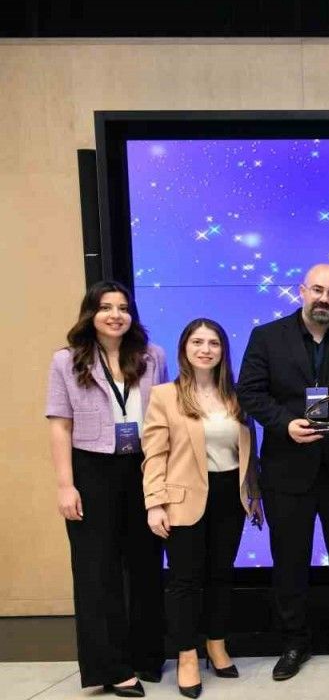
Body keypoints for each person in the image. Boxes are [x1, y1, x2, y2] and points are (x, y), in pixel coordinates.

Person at [237, 263, 329, 680]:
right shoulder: (267, 337)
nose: (325, 299)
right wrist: (284, 423)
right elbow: (249, 391)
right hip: (288, 470)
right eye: (318, 290)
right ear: (301, 291)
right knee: (289, 562)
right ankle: (293, 643)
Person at [45, 280, 167, 697]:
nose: (116, 315)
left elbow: (163, 418)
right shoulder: (67, 360)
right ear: (91, 313)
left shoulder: (152, 356)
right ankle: (111, 668)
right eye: (106, 307)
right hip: (91, 469)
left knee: (146, 564)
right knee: (97, 572)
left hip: (143, 466)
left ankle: (147, 655)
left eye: (123, 308)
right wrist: (66, 485)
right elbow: (60, 426)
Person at [141, 318, 264, 698]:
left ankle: (216, 643)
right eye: (197, 342)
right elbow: (154, 454)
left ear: (223, 351)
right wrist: (154, 503)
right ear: (184, 349)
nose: (205, 349)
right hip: (183, 498)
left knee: (220, 575)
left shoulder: (237, 396)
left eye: (213, 343)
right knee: (184, 580)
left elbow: (248, 453)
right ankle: (187, 655)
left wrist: (254, 497)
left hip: (230, 495)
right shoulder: (164, 395)